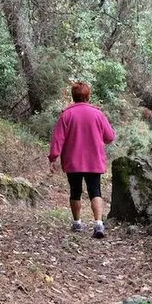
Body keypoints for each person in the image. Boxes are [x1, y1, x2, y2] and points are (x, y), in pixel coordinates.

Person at [48, 81, 116, 238]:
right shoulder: (98, 114)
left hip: (73, 161)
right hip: (94, 160)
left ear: (73, 96)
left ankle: (77, 222)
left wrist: (53, 157)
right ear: (88, 96)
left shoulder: (66, 115)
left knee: (75, 191)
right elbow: (110, 137)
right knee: (95, 190)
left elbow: (58, 139)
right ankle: (98, 224)